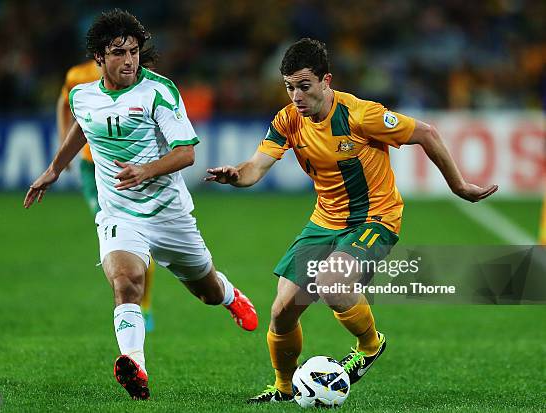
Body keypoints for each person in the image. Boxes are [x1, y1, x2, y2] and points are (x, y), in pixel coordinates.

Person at [206, 38, 498, 403]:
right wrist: (236, 175)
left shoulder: (362, 115)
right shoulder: (287, 120)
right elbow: (255, 168)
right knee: (282, 311)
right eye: (289, 87)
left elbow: (426, 133)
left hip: (375, 218)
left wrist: (458, 185)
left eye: (304, 86)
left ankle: (370, 345)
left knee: (333, 282)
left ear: (326, 80)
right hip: (325, 220)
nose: (296, 96)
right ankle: (282, 388)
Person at [25, 9, 258, 401]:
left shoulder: (158, 91)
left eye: (133, 51)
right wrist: (54, 169)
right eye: (118, 53)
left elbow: (186, 154)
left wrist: (145, 170)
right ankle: (135, 364)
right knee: (126, 281)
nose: (129, 60)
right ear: (99, 58)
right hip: (118, 212)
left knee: (205, 289)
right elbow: (83, 124)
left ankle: (230, 296)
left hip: (168, 213)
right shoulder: (82, 94)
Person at [57, 60, 156, 331]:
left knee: (138, 233)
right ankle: (129, 296)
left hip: (126, 166)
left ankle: (141, 305)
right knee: (114, 226)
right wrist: (63, 144)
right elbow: (65, 106)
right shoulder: (77, 76)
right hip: (93, 167)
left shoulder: (137, 76)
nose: (125, 57)